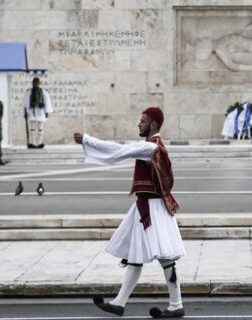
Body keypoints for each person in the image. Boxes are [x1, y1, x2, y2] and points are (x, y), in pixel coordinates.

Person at [73, 107, 185, 318]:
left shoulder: (149, 148)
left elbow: (118, 150)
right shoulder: (155, 146)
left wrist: (88, 140)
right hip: (147, 206)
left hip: (151, 209)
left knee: (164, 258)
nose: (138, 124)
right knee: (139, 255)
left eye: (142, 121)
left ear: (152, 125)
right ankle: (122, 303)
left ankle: (175, 305)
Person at [23, 77, 53, 149]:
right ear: (32, 83)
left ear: (39, 83)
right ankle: (33, 143)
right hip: (32, 111)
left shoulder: (43, 92)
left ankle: (39, 143)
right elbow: (26, 103)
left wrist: (47, 111)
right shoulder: (29, 92)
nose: (35, 84)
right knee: (32, 129)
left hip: (41, 111)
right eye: (34, 82)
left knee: (40, 129)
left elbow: (47, 102)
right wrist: (26, 112)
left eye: (37, 82)